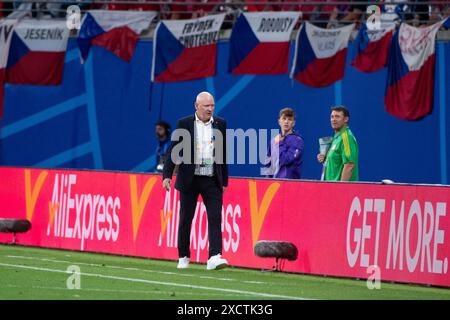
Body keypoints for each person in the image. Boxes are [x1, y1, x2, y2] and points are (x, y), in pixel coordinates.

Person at [162, 91, 228, 270]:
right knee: (185, 219)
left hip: (212, 179)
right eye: (206, 106)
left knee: (215, 217)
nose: (210, 109)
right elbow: (173, 151)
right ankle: (183, 256)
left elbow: (223, 154)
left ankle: (214, 256)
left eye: (212, 105)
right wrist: (167, 175)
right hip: (189, 179)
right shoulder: (184, 124)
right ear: (196, 106)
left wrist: (224, 181)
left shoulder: (220, 124)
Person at [317, 106, 359, 181]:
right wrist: (326, 159)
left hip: (340, 190)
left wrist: (341, 189)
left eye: (337, 117)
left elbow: (349, 165)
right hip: (330, 188)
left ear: (346, 119)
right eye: (332, 117)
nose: (333, 120)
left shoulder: (346, 138)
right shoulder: (336, 138)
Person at [263, 108, 304, 179]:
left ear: (293, 123)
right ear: (279, 121)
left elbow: (285, 160)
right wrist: (266, 182)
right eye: (284, 118)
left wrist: (279, 143)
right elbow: (268, 166)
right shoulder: (274, 141)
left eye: (290, 119)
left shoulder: (297, 141)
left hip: (290, 185)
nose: (286, 122)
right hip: (273, 186)